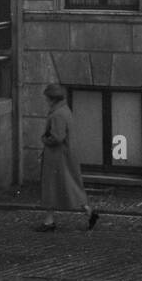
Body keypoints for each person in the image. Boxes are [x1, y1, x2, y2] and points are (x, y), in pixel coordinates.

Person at [36, 83, 99, 232]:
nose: (46, 101)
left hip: (57, 157)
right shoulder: (64, 110)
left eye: (47, 99)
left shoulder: (58, 114)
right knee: (69, 185)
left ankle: (50, 221)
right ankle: (86, 212)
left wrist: (44, 140)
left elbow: (57, 137)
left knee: (54, 186)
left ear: (52, 99)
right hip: (62, 156)